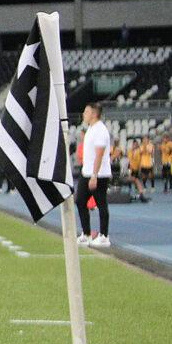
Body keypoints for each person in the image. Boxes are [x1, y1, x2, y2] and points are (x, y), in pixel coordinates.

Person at [77, 103, 112, 248]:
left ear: (94, 113)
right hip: (87, 172)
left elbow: (99, 154)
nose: (84, 114)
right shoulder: (91, 129)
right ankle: (86, 234)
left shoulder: (101, 131)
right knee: (80, 201)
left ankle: (104, 236)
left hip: (99, 174)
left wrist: (94, 175)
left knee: (101, 203)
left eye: (86, 111)